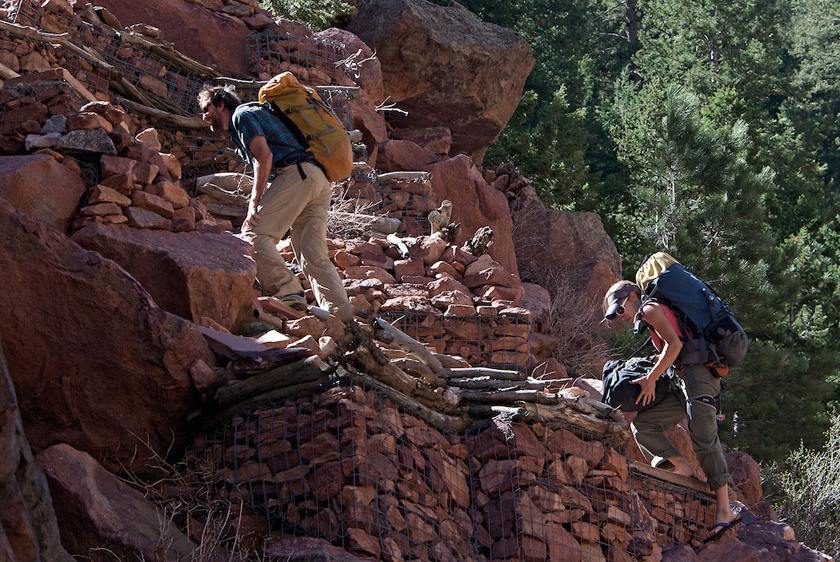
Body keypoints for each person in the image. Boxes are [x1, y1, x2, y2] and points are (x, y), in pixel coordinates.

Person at [197, 84, 354, 322]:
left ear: (221, 104)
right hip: (318, 179)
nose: (205, 116)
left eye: (207, 108)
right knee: (312, 253)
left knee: (253, 233)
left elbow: (264, 156)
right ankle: (341, 316)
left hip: (297, 174)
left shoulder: (241, 116)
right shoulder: (256, 113)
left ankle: (288, 291)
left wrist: (254, 203)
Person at [603, 279, 741, 542]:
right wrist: (657, 365)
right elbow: (673, 347)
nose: (622, 317)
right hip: (683, 381)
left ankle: (725, 511)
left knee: (703, 435)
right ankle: (681, 467)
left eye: (620, 309)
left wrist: (652, 377)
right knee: (643, 425)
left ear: (633, 296)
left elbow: (675, 345)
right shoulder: (650, 318)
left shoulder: (649, 309)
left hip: (697, 376)